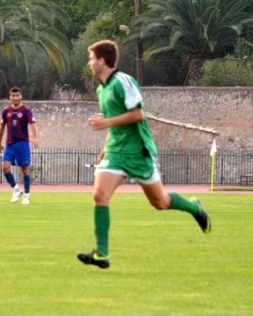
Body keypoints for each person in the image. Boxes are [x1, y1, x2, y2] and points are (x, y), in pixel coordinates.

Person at [77, 40, 210, 269]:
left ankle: (194, 207)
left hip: (138, 151)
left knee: (160, 202)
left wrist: (106, 122)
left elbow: (138, 115)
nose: (89, 63)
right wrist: (105, 148)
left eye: (91, 58)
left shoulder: (123, 81)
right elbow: (116, 125)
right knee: (100, 195)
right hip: (116, 152)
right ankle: (102, 253)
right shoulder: (101, 89)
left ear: (101, 60)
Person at [0, 87, 39, 205]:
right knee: (5, 167)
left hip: (22, 143)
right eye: (13, 95)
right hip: (9, 144)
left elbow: (33, 124)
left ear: (21, 96)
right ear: (10, 97)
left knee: (25, 170)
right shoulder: (6, 111)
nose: (15, 97)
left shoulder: (26, 110)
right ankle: (16, 190)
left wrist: (35, 138)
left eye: (17, 95)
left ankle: (26, 195)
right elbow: (1, 127)